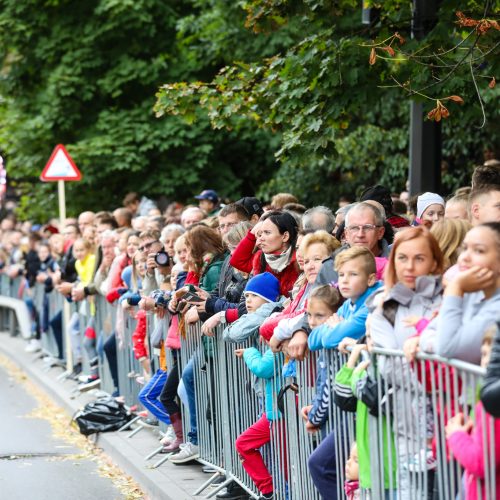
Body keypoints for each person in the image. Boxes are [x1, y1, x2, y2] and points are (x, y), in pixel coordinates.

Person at [421, 223, 500, 365]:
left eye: (479, 251)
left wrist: (455, 288)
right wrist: (435, 343)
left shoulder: (462, 290)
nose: (464, 257)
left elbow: (447, 349)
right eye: (464, 248)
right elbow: (427, 334)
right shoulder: (471, 293)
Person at [446, 325, 500, 500]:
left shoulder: (492, 403)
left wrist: (456, 436)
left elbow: (482, 463)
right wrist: (468, 434)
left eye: (492, 355)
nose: (485, 362)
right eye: (483, 354)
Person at [308, 246, 382, 350]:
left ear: (370, 279)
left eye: (353, 274)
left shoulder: (374, 303)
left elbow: (329, 340)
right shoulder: (349, 303)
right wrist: (338, 328)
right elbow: (312, 340)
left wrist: (337, 327)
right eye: (341, 274)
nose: (344, 280)